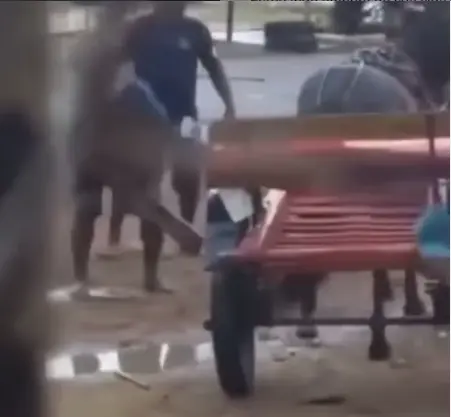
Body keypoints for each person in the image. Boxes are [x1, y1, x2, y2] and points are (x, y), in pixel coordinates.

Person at [71, 1, 235, 293]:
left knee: (150, 192)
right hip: (110, 135)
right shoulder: (125, 38)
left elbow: (136, 96)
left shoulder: (189, 32)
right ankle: (90, 273)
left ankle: (147, 276)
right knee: (94, 205)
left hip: (148, 125)